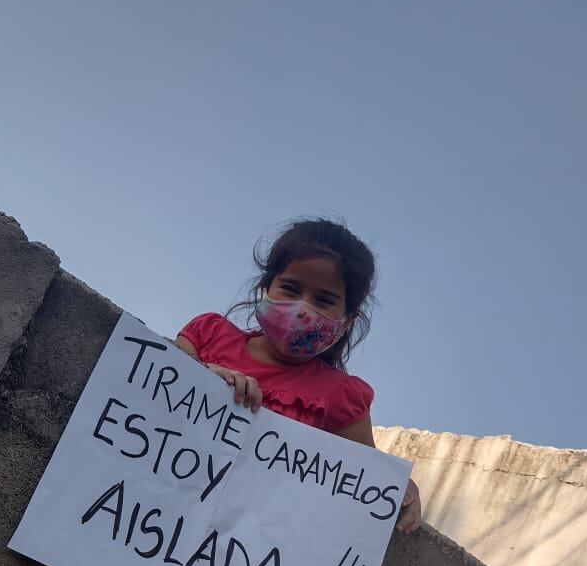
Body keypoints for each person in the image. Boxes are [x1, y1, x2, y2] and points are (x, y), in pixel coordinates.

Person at [176, 218, 421, 534]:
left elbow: (368, 479)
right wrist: (204, 379)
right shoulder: (207, 335)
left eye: (323, 300)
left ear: (346, 322)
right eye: (290, 289)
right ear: (265, 289)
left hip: (241, 559)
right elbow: (153, 392)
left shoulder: (341, 398)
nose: (302, 309)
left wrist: (401, 489)